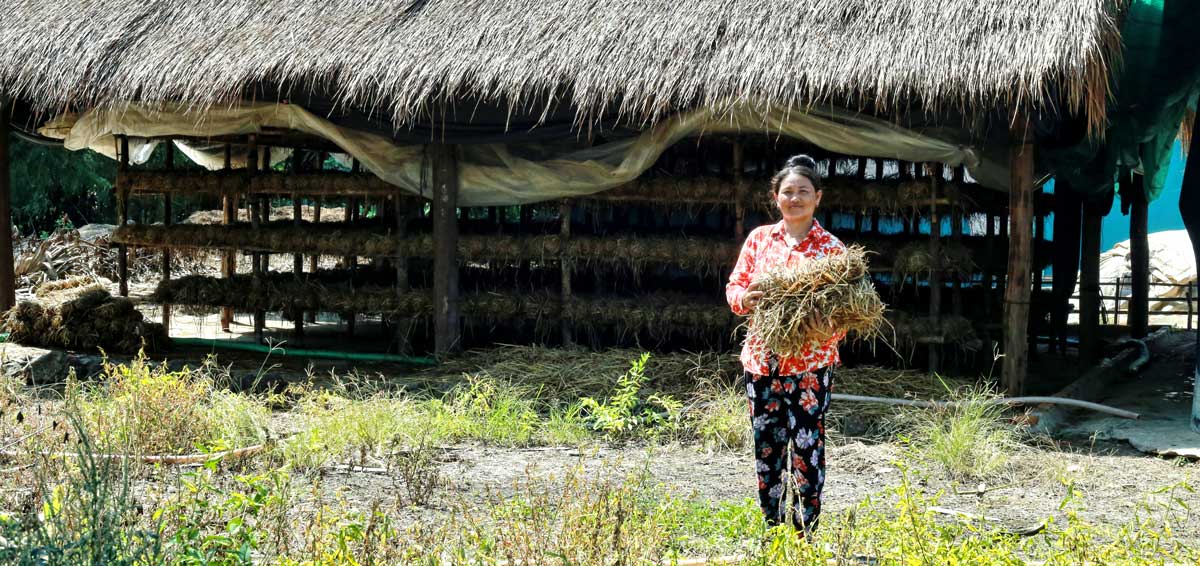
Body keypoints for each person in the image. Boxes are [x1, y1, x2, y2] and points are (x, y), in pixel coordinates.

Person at [725, 154, 846, 535]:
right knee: (767, 450)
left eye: (803, 192)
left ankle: (806, 531)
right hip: (761, 364)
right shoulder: (760, 239)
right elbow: (735, 287)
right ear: (775, 197)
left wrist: (828, 329)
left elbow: (847, 311)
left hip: (809, 367)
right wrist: (746, 299)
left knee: (807, 452)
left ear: (818, 198)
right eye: (788, 192)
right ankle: (773, 529)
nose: (795, 198)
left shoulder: (832, 250)